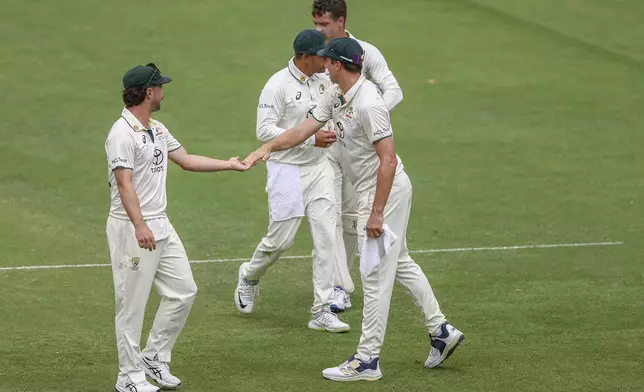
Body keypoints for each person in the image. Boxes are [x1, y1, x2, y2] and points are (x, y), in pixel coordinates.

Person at [243, 38, 464, 382]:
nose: (324, 66)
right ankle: (441, 330)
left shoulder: (369, 104)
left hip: (382, 192)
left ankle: (367, 360)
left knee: (373, 276)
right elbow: (303, 130)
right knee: (400, 262)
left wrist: (375, 213)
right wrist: (267, 148)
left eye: (328, 61)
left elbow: (388, 160)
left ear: (338, 66)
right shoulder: (335, 94)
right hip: (371, 190)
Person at [105, 63, 249, 392]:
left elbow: (186, 160)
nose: (164, 92)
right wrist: (139, 225)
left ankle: (154, 356)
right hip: (132, 229)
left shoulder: (156, 128)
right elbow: (124, 184)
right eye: (160, 87)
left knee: (184, 291)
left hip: (161, 224)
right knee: (131, 306)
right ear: (148, 92)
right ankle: (128, 377)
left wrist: (229, 164)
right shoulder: (121, 134)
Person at [234, 30, 350, 333]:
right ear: (305, 57)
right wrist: (311, 140)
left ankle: (321, 310)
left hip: (319, 169)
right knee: (280, 241)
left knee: (326, 237)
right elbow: (264, 132)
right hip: (286, 170)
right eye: (321, 56)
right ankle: (249, 275)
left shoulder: (325, 79)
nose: (326, 61)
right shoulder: (277, 86)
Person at [311, 0, 404, 312]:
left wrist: (363, 120)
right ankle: (334, 289)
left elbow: (394, 90)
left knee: (351, 220)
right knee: (328, 216)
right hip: (325, 148)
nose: (318, 30)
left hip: (356, 148)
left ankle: (341, 284)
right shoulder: (316, 52)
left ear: (341, 21)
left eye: (324, 24)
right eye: (316, 23)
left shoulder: (364, 52)